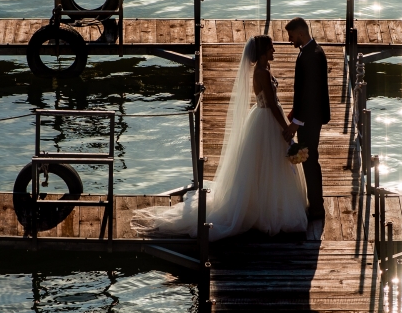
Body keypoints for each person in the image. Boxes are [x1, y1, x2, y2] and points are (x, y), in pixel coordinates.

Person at [131, 35, 307, 240]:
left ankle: (263, 204)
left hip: (264, 118)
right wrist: (286, 129)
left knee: (265, 165)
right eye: (270, 48)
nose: (274, 51)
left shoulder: (264, 70)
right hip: (267, 120)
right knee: (268, 164)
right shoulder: (262, 73)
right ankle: (265, 208)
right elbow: (270, 103)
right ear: (261, 53)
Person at [282, 17, 329, 221]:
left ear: (300, 34)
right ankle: (316, 202)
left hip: (310, 119)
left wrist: (296, 123)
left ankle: (317, 207)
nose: (289, 39)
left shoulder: (311, 56)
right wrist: (295, 111)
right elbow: (304, 91)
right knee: (310, 158)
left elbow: (310, 94)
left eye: (291, 36)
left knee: (310, 160)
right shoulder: (311, 51)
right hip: (310, 116)